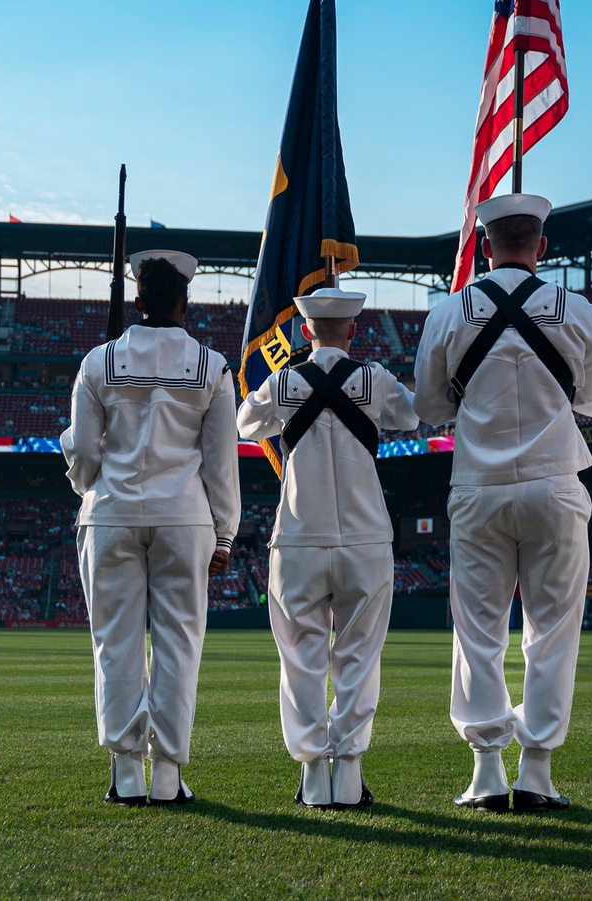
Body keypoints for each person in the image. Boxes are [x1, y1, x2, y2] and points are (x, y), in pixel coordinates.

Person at [414, 193, 592, 812]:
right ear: (542, 247)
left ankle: (487, 773)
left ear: (484, 246)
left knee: (478, 631)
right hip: (555, 484)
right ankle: (539, 772)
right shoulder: (575, 309)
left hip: (480, 488)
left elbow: (429, 409)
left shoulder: (448, 313)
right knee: (552, 632)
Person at [60, 249, 240, 807]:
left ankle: (125, 773)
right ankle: (168, 775)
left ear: (137, 301)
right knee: (179, 645)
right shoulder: (212, 367)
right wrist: (225, 533)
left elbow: (85, 450)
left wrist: (83, 477)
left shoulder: (97, 363)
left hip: (111, 513)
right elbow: (220, 462)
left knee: (114, 644)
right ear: (185, 302)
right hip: (185, 518)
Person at [236, 287, 419, 809]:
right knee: (359, 657)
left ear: (306, 330)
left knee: (301, 659)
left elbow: (245, 423)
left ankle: (314, 773)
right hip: (365, 541)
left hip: (298, 538)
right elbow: (410, 417)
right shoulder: (374, 378)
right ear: (354, 330)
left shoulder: (285, 382)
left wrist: (288, 391)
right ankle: (350, 773)